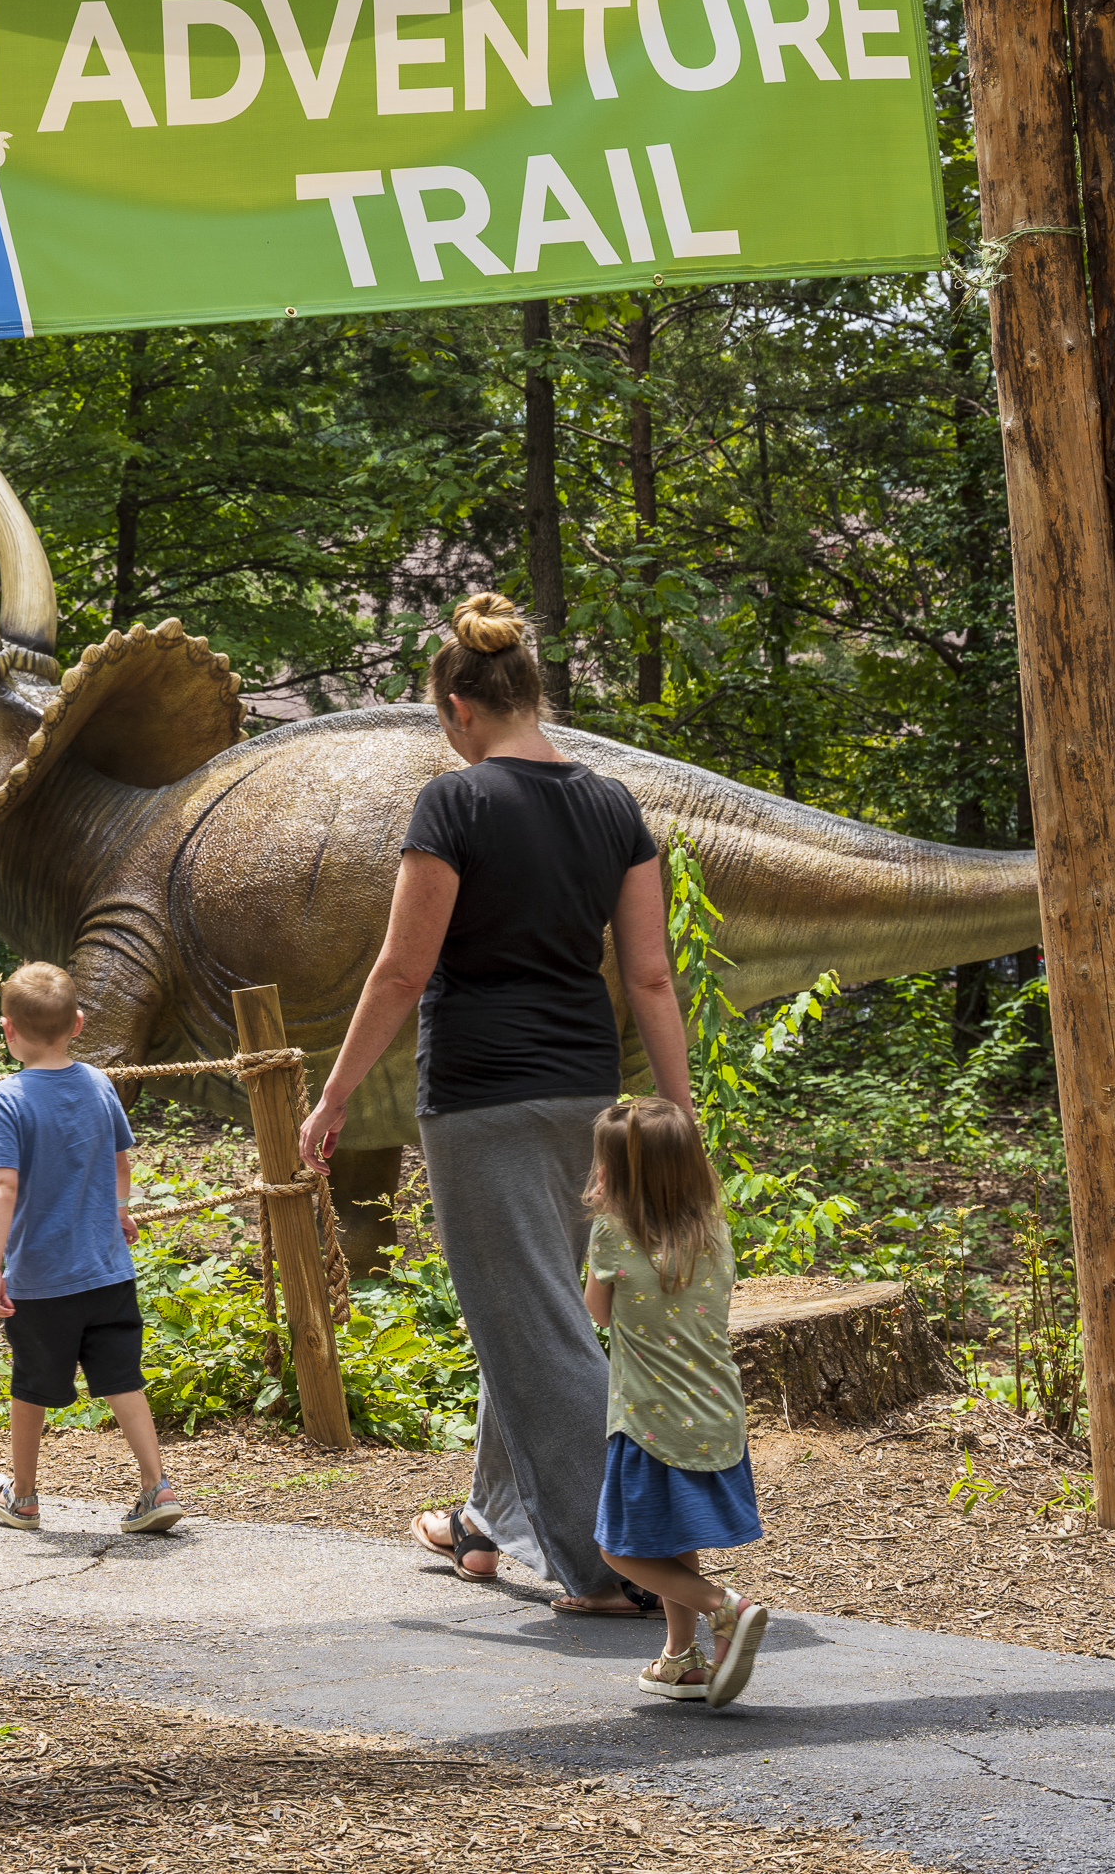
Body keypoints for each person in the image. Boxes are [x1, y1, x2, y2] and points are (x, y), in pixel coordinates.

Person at [296, 590, 692, 1618]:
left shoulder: (456, 803)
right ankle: (487, 1520)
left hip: (480, 1099)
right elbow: (649, 978)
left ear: (463, 707)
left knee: (539, 1326)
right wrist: (676, 1111)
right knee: (533, 1309)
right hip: (581, 1094)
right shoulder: (614, 806)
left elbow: (398, 971)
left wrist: (333, 1095)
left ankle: (621, 1564)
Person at [0, 959, 186, 1536]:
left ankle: (23, 1497)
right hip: (107, 1270)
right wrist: (120, 1211)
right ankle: (156, 1486)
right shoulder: (99, 1083)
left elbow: (2, 1184)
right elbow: (121, 1160)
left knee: (32, 1383)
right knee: (123, 1378)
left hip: (42, 1279)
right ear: (78, 1022)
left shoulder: (7, 1098)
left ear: (7, 1030)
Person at [583, 1094, 770, 1706]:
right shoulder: (713, 1227)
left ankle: (726, 1608)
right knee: (670, 1536)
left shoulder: (611, 1233)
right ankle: (679, 1658)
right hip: (717, 1410)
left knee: (620, 1548)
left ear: (617, 1173)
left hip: (648, 1419)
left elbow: (597, 1313)